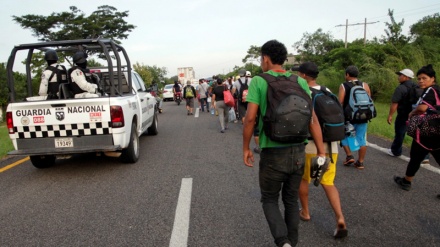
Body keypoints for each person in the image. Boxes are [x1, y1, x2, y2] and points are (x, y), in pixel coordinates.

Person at [243, 40, 326, 247]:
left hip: (272, 152)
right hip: (298, 150)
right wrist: (321, 152)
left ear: (266, 59)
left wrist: (245, 148)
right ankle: (293, 242)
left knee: (269, 199)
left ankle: (283, 242)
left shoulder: (259, 81)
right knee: (291, 200)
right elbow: (312, 118)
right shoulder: (300, 82)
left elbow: (250, 118)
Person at [295, 62, 347, 239]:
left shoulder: (304, 93)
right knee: (328, 182)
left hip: (311, 146)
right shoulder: (327, 91)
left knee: (303, 179)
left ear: (303, 76)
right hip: (331, 146)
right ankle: (340, 217)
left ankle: (306, 212)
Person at [394, 64, 440, 193]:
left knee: (416, 155)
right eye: (419, 78)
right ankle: (406, 180)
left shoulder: (431, 90)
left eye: (424, 78)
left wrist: (412, 113)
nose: (421, 81)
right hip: (438, 130)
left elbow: (422, 108)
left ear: (432, 78)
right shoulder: (438, 90)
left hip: (428, 130)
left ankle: (406, 181)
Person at [338, 65, 372, 169]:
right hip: (363, 116)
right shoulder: (364, 85)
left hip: (348, 117)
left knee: (344, 136)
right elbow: (369, 99)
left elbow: (340, 102)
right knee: (361, 138)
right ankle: (360, 162)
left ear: (347, 74)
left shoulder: (343, 86)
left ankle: (349, 156)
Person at [387, 69, 416, 157]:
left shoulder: (401, 88)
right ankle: (424, 156)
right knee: (419, 134)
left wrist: (390, 115)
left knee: (400, 132)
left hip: (404, 114)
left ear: (406, 77)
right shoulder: (417, 86)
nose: (398, 77)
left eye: (400, 75)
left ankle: (396, 151)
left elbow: (395, 103)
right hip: (417, 113)